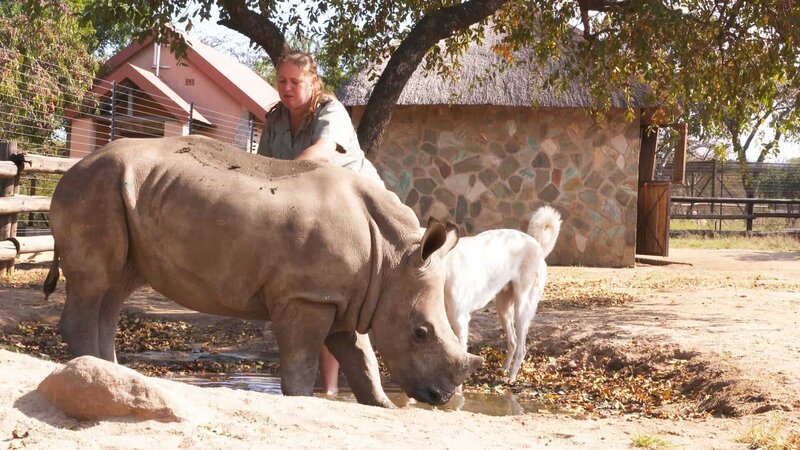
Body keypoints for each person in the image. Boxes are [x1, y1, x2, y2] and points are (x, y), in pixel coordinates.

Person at [256, 50, 383, 395]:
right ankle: (321, 389)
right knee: (311, 296)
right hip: (313, 214)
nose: (286, 88)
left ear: (312, 81)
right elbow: (260, 169)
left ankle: (328, 389)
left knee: (330, 299)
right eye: (281, 81)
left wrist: (280, 181)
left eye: (295, 81)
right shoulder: (275, 120)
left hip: (361, 214)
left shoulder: (331, 110)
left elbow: (322, 154)